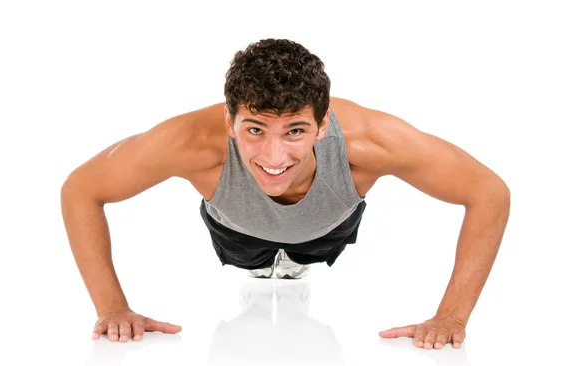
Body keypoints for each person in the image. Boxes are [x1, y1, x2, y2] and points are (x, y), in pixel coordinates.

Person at [60, 38, 511, 349]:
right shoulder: (188, 142)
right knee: (251, 263)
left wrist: (452, 317)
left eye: (295, 130)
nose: (273, 156)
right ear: (228, 121)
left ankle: (295, 266)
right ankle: (263, 270)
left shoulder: (371, 141)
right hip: (235, 231)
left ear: (321, 122)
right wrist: (112, 308)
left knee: (306, 256)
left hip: (327, 229)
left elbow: (488, 192)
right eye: (254, 129)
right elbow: (81, 189)